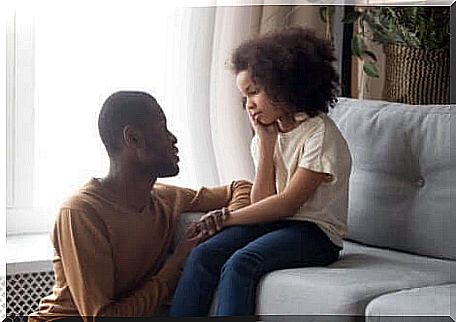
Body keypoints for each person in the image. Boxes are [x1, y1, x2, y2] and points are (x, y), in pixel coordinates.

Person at [169, 27, 352, 317]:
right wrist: (266, 146)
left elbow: (287, 203)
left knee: (242, 262)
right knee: (203, 254)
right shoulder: (265, 136)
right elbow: (262, 202)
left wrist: (227, 217)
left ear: (284, 85)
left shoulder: (320, 134)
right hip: (276, 224)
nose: (249, 104)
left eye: (254, 92)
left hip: (315, 235)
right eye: (244, 97)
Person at [28, 91, 252, 321]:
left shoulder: (166, 198)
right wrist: (176, 264)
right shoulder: (81, 213)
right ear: (133, 138)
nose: (173, 139)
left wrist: (227, 223)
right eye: (163, 129)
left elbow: (241, 187)